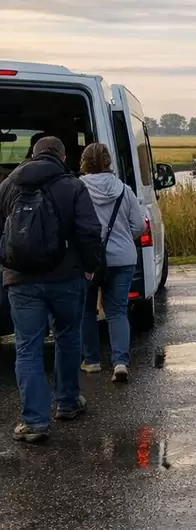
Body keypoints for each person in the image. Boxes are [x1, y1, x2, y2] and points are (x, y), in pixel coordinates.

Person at [0, 136, 101, 443]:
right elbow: (89, 230)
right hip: (66, 278)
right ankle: (67, 403)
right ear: (63, 155)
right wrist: (90, 266)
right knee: (68, 337)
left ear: (33, 153)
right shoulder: (73, 186)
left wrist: (7, 262)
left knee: (28, 346)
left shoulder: (7, 186)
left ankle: (34, 421)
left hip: (20, 280)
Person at [79, 143, 144, 383]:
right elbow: (138, 226)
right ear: (109, 161)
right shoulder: (124, 190)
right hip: (123, 259)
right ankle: (120, 362)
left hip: (88, 260)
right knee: (117, 311)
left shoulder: (78, 188)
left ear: (84, 162)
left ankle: (92, 360)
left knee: (86, 311)